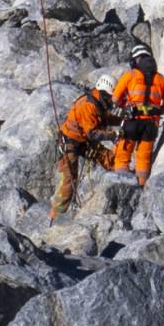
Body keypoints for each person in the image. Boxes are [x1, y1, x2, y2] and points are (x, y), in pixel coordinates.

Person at [49, 74, 122, 222]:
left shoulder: (98, 101)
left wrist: (122, 121)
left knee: (106, 157)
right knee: (68, 182)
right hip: (70, 144)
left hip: (82, 140)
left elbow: (105, 119)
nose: (111, 101)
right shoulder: (87, 105)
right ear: (103, 93)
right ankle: (54, 217)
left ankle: (123, 175)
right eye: (109, 97)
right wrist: (113, 135)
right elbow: (93, 133)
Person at [112, 45, 164, 186]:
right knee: (144, 159)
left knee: (123, 155)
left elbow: (115, 98)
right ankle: (141, 186)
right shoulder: (162, 79)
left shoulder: (130, 75)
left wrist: (124, 106)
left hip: (132, 121)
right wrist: (157, 111)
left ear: (136, 60)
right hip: (151, 125)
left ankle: (120, 187)